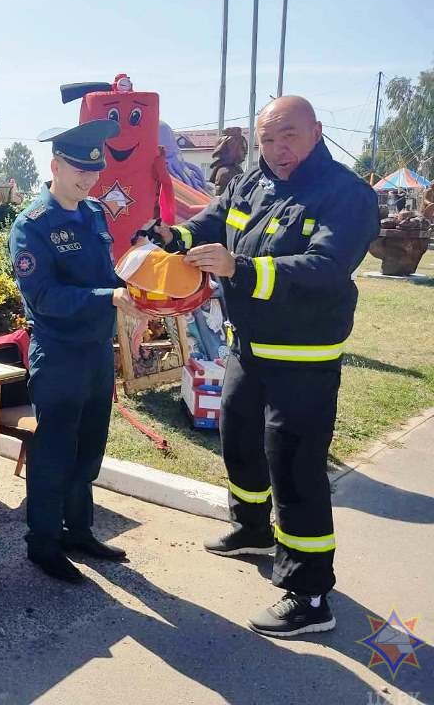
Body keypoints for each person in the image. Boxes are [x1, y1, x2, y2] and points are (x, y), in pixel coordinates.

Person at [149, 95, 378, 636]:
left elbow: (323, 267)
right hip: (247, 346)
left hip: (303, 356)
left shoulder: (347, 194)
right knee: (239, 439)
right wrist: (171, 237)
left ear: (317, 131)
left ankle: (310, 592)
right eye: (268, 139)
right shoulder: (252, 181)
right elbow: (211, 219)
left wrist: (241, 268)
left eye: (289, 136)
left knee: (295, 468)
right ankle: (251, 527)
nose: (278, 150)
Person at [8, 118, 144, 584]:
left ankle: (78, 531)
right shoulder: (32, 226)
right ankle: (42, 544)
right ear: (55, 166)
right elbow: (44, 298)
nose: (87, 179)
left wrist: (134, 291)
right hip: (59, 354)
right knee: (55, 452)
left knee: (89, 448)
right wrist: (108, 299)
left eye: (93, 171)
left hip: (95, 353)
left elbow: (106, 275)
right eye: (77, 170)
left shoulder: (93, 215)